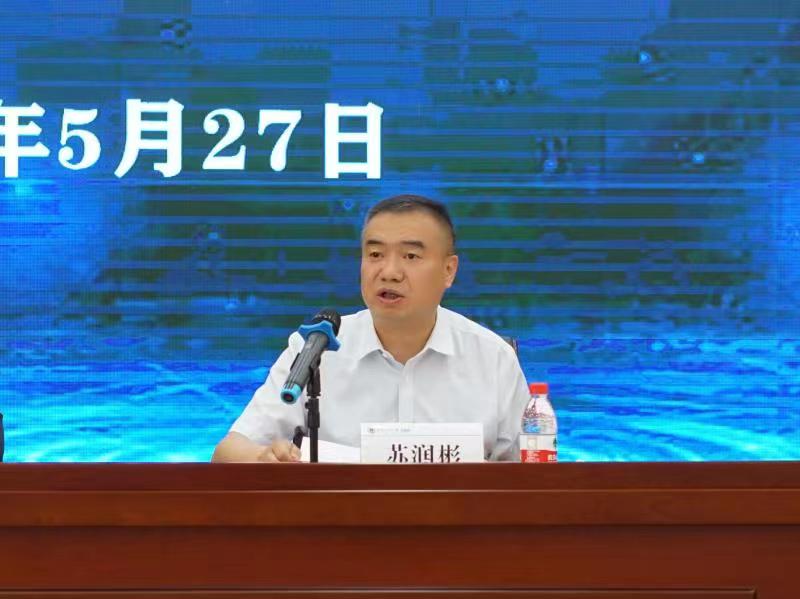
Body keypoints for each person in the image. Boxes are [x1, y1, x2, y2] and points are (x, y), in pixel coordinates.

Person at [212, 194, 529, 463]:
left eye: (410, 256)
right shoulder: (317, 349)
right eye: (375, 254)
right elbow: (228, 451)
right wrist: (264, 458)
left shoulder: (493, 360)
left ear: (449, 270)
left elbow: (534, 475)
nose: (389, 272)